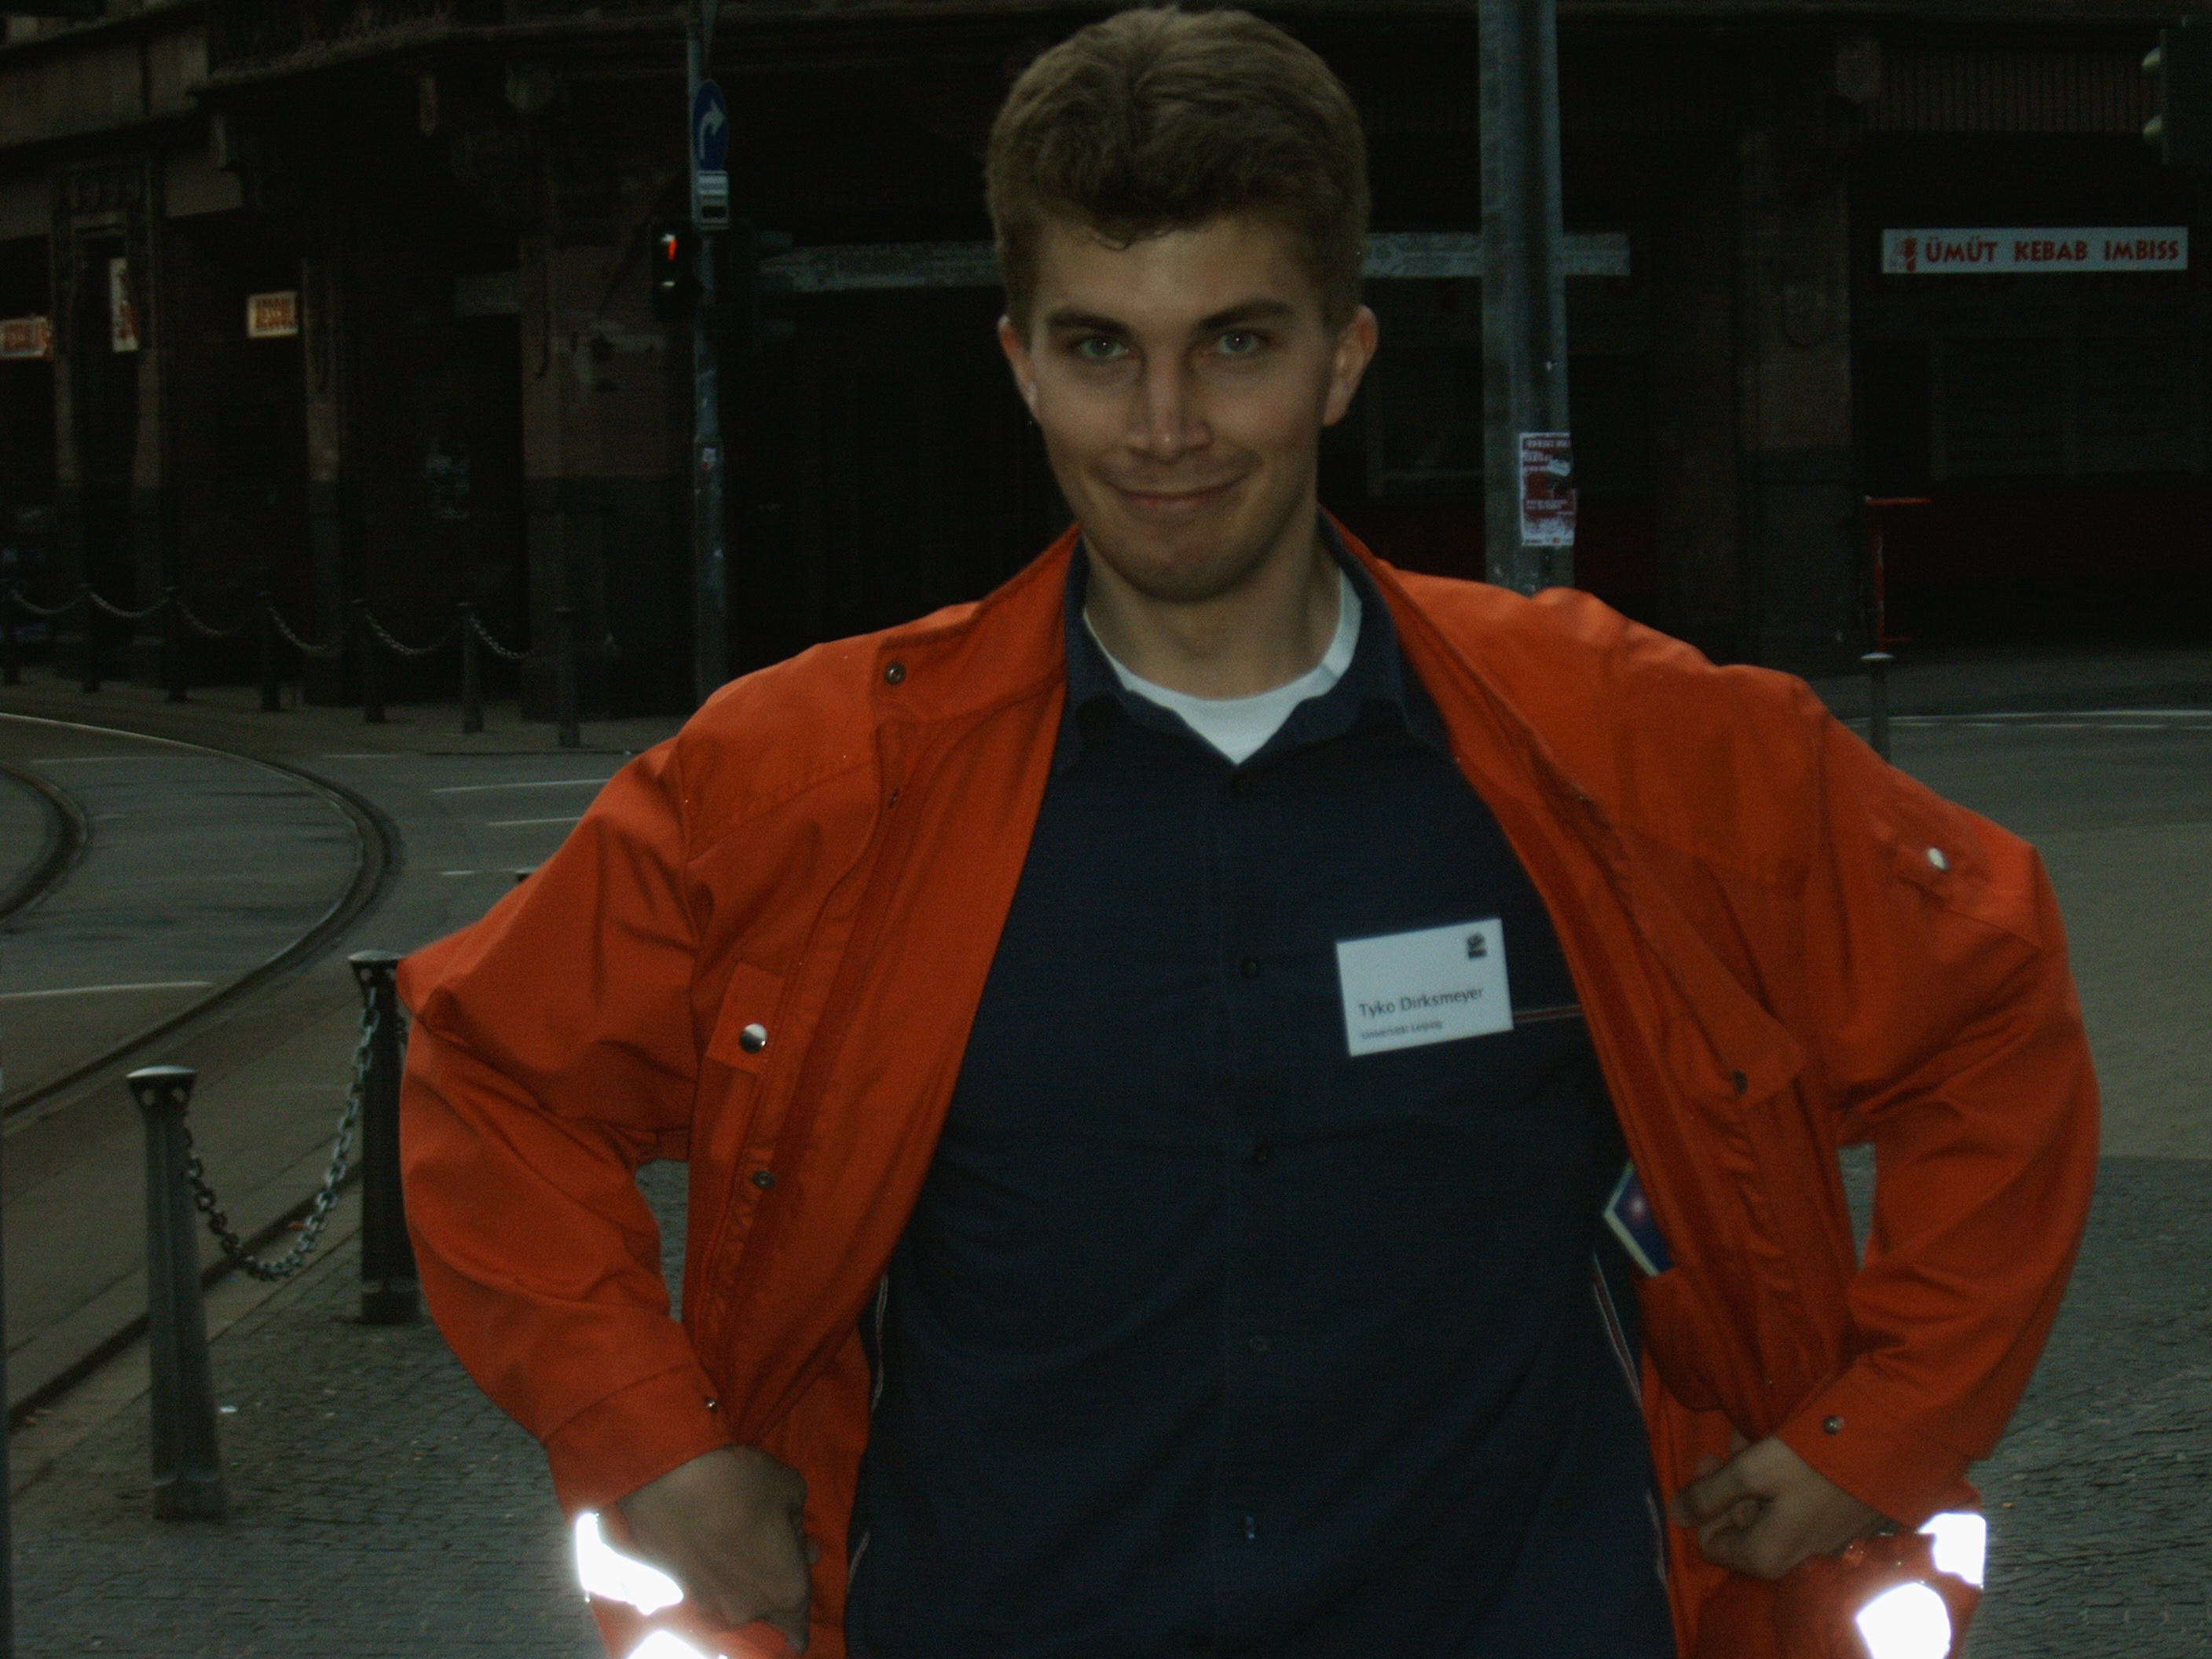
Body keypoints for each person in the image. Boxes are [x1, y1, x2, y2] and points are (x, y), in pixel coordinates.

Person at [397, 9, 2098, 1658]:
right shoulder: (807, 787)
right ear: (1020, 365)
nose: (1164, 429)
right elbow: (491, 1070)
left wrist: (1877, 1430)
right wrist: (655, 1445)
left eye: (1234, 343)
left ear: (1343, 356)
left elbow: (1987, 1006)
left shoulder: (1629, 747)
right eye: (1099, 349)